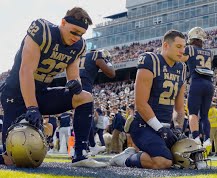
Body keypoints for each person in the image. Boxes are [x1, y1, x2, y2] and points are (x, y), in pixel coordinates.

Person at [0, 7, 106, 167]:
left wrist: (76, 86)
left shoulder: (78, 46)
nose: (77, 38)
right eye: (74, 32)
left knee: (84, 97)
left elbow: (73, 76)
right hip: (16, 95)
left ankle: (81, 154)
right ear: (63, 22)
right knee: (13, 159)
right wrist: (32, 107)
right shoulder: (42, 31)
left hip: (41, 93)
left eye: (81, 34)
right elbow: (26, 71)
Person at [109, 30, 187, 169]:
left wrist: (178, 129)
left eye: (184, 47)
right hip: (144, 126)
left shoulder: (181, 68)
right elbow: (140, 103)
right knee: (164, 161)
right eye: (179, 46)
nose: (183, 51)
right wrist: (160, 129)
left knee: (188, 158)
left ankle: (139, 153)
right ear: (166, 45)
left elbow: (179, 109)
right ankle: (127, 159)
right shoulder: (151, 60)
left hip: (166, 128)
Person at [183, 27, 214, 150]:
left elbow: (180, 59)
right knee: (205, 115)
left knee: (193, 113)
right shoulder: (210, 52)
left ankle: (196, 138)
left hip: (196, 82)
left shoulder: (189, 49)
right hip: (209, 84)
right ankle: (207, 140)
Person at [80, 49, 115, 155]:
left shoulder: (82, 55)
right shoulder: (97, 55)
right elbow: (111, 73)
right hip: (85, 87)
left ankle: (87, 146)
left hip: (75, 84)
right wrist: (108, 61)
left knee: (82, 118)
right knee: (87, 118)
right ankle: (86, 147)